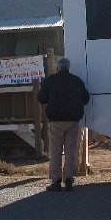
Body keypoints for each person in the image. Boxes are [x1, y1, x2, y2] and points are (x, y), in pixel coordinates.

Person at [37, 57, 90, 192]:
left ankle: (56, 181)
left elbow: (41, 98)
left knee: (55, 151)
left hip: (56, 121)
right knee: (70, 150)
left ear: (57, 67)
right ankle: (68, 179)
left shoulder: (50, 81)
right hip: (72, 121)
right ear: (69, 67)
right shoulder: (77, 81)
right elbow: (86, 99)